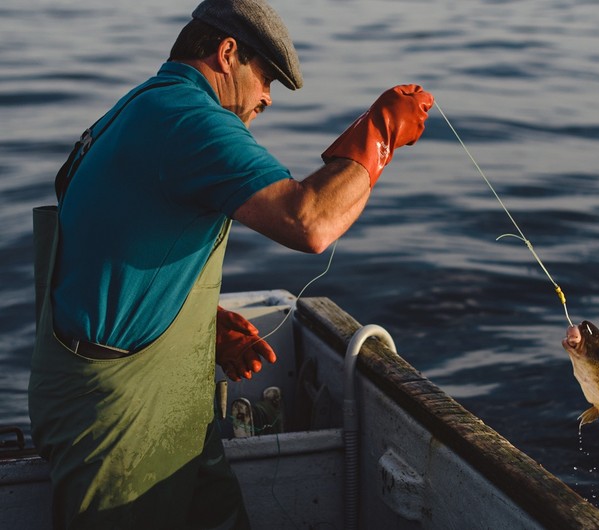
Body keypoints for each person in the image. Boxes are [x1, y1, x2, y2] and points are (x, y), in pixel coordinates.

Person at [27, 0, 433, 527]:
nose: (267, 97)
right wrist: (379, 131)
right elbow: (310, 221)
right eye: (265, 78)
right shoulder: (188, 119)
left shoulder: (139, 107)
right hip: (120, 418)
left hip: (169, 404)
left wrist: (200, 326)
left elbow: (110, 245)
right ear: (227, 54)